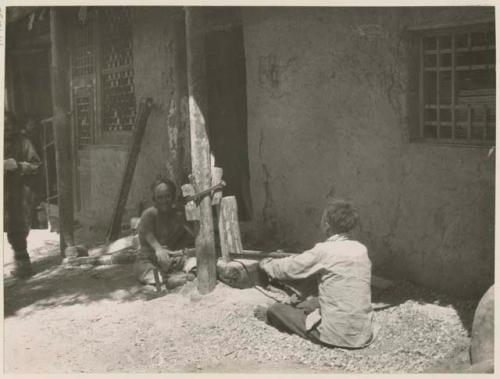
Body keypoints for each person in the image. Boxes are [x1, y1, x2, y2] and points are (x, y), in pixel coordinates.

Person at [254, 200, 376, 349]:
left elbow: (290, 269)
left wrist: (266, 263)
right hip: (364, 334)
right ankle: (300, 308)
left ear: (327, 225)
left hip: (335, 337)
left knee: (276, 309)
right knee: (316, 300)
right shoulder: (361, 249)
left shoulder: (324, 250)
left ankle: (272, 316)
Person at [134, 178, 194, 286]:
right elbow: (148, 234)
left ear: (172, 197)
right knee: (155, 278)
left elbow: (191, 235)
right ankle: (167, 281)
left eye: (167, 196)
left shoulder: (178, 214)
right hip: (149, 259)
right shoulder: (149, 214)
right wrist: (158, 249)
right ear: (154, 199)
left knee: (194, 264)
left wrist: (183, 222)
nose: (164, 200)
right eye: (160, 197)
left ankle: (176, 278)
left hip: (173, 258)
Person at [4, 111, 42, 278]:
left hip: (17, 193)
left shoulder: (23, 143)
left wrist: (18, 166)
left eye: (8, 125)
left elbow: (37, 166)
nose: (5, 128)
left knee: (17, 230)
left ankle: (24, 267)